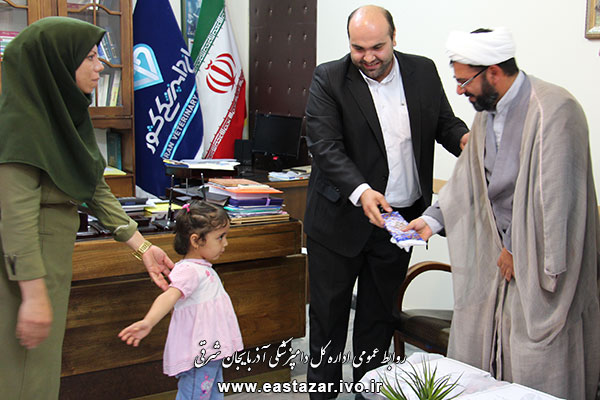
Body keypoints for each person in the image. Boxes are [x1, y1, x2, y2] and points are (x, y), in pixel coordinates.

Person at [406, 27, 600, 399]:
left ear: (493, 72)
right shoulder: (487, 112)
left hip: (542, 263)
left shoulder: (555, 110)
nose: (460, 91)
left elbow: (555, 199)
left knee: (536, 361)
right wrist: (431, 220)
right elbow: (467, 178)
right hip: (502, 260)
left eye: (464, 82)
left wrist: (515, 249)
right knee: (486, 345)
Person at [0, 17, 175, 400]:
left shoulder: (64, 115)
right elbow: (16, 216)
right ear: (57, 63)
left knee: (40, 370)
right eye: (90, 57)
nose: (101, 66)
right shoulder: (20, 124)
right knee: (25, 377)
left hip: (49, 260)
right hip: (27, 268)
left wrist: (143, 247)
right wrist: (33, 294)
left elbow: (93, 187)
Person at [303, 5, 468, 397]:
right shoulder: (329, 78)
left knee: (378, 320)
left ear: (394, 38)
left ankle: (369, 392)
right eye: (358, 48)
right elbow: (325, 147)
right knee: (328, 321)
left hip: (399, 221)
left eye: (377, 47)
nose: (368, 57)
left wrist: (468, 142)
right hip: (338, 221)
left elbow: (444, 124)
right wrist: (361, 191)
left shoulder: (422, 71)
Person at [119, 201, 243, 400]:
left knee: (213, 393)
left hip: (210, 352)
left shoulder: (201, 268)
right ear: (196, 240)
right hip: (199, 355)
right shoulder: (188, 271)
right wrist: (148, 322)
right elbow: (169, 296)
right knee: (195, 395)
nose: (225, 243)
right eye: (220, 237)